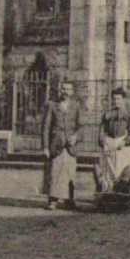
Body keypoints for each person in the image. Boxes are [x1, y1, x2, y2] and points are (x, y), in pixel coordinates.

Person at [41, 80, 81, 211]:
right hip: (56, 145)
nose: (65, 91)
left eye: (68, 89)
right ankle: (53, 200)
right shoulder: (52, 105)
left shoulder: (76, 106)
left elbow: (81, 127)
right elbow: (46, 127)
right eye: (63, 88)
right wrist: (45, 147)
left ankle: (70, 201)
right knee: (54, 172)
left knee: (70, 174)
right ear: (60, 90)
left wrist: (76, 137)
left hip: (70, 147)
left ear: (72, 91)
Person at [93, 86, 130, 198]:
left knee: (123, 169)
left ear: (123, 100)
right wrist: (103, 143)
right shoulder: (107, 114)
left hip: (122, 145)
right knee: (107, 170)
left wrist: (125, 142)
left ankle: (124, 193)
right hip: (109, 144)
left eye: (118, 99)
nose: (116, 101)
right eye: (114, 99)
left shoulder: (128, 114)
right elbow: (101, 130)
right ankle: (107, 192)